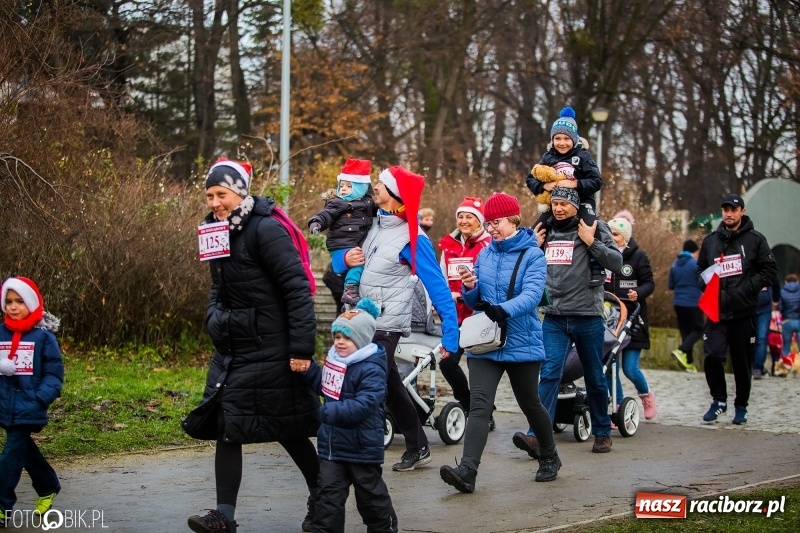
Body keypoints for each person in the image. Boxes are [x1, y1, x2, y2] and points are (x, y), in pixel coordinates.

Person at [185, 158, 321, 533]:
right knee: (228, 420)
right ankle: (223, 516)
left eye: (222, 194)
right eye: (210, 195)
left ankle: (323, 494)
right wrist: (214, 317)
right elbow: (218, 286)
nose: (215, 202)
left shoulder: (265, 229)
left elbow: (296, 289)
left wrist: (301, 349)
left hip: (274, 346)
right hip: (235, 346)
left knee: (286, 427)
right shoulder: (214, 230)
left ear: (240, 192)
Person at [341, 165, 459, 472]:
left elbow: (438, 287)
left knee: (369, 380)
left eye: (380, 184)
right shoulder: (374, 224)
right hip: (362, 320)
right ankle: (418, 446)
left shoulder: (412, 238)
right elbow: (347, 262)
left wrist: (451, 334)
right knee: (391, 385)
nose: (375, 187)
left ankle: (358, 445)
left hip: (387, 323)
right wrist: (345, 260)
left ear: (394, 193)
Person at [439, 192, 559, 494]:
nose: (491, 228)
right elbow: (475, 300)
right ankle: (467, 471)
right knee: (479, 405)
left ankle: (549, 455)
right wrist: (470, 287)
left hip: (522, 341)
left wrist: (502, 310)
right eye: (489, 223)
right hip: (486, 343)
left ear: (514, 220)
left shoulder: (533, 255)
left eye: (497, 222)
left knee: (530, 403)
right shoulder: (485, 254)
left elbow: (532, 296)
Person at [513, 187, 622, 456]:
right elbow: (521, 264)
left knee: (595, 376)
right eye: (555, 204)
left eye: (564, 203)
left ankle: (602, 432)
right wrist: (532, 247)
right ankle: (537, 435)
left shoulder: (594, 227)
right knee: (549, 373)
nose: (559, 208)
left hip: (587, 316)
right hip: (554, 317)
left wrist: (591, 242)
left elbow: (616, 262)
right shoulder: (545, 229)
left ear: (576, 205)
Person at [290, 299, 398, 533]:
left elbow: (366, 403)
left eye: (347, 338)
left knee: (371, 498)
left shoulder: (371, 368)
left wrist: (332, 411)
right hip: (333, 448)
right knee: (328, 499)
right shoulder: (336, 362)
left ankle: (383, 528)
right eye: (337, 337)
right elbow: (325, 386)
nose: (339, 342)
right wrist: (310, 371)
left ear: (361, 340)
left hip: (362, 448)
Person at [697, 193, 777, 425]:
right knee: (712, 356)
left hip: (743, 312)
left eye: (733, 210)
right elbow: (700, 268)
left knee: (742, 363)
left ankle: (741, 406)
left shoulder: (755, 240)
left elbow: (770, 270)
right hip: (716, 311)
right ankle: (718, 401)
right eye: (725, 210)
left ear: (742, 211)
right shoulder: (711, 241)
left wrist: (747, 289)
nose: (729, 214)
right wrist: (705, 284)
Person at [0, 277, 64, 525]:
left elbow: (53, 374)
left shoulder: (43, 338)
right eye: (8, 301)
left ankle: (2, 504)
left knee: (10, 454)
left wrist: (41, 398)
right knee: (22, 448)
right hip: (4, 403)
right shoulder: (1, 333)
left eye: (19, 301)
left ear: (31, 303)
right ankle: (48, 485)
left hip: (29, 403)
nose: (13, 306)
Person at [526, 106, 604, 287]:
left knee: (591, 226)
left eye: (566, 139)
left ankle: (597, 267)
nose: (562, 143)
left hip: (582, 201)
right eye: (557, 139)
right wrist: (544, 186)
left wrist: (575, 184)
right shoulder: (548, 157)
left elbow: (596, 181)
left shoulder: (583, 157)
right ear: (552, 140)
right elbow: (530, 179)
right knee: (535, 230)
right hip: (556, 203)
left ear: (574, 139)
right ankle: (532, 267)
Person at [437, 197, 493, 428]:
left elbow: (490, 279)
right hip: (454, 317)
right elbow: (441, 276)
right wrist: (444, 298)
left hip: (478, 316)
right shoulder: (448, 245)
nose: (464, 221)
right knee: (447, 363)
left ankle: (484, 414)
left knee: (477, 366)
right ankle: (469, 405)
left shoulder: (488, 244)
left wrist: (467, 293)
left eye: (469, 216)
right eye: (460, 216)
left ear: (479, 221)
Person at [603, 213, 657, 420]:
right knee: (609, 367)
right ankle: (617, 407)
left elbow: (649, 283)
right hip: (611, 319)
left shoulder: (638, 257)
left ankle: (646, 395)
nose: (611, 237)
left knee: (630, 368)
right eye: (609, 233)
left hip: (634, 319)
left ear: (624, 237)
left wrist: (639, 293)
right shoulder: (604, 254)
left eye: (615, 234)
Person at [308, 158, 375, 306]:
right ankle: (350, 289)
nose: (343, 189)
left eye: (349, 186)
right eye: (341, 185)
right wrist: (316, 223)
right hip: (341, 244)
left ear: (360, 188)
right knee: (358, 263)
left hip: (353, 243)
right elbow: (325, 215)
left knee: (358, 261)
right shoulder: (338, 203)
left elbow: (378, 213)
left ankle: (351, 289)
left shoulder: (368, 203)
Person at [669, 239, 702, 372]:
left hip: (678, 303)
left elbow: (671, 285)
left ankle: (689, 363)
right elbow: (703, 282)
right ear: (694, 252)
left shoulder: (675, 265)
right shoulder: (695, 264)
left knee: (686, 333)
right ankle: (681, 350)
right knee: (699, 330)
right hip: (693, 302)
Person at [753, 276, 781, 379]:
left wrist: (775, 298)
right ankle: (756, 368)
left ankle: (757, 368)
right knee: (756, 339)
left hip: (761, 308)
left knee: (760, 339)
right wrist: (775, 299)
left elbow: (775, 281)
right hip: (750, 307)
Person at [779, 274, 800, 364]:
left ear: (785, 282)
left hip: (787, 322)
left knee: (786, 347)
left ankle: (784, 367)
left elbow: (780, 307)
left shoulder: (782, 292)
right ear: (797, 282)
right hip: (799, 321)